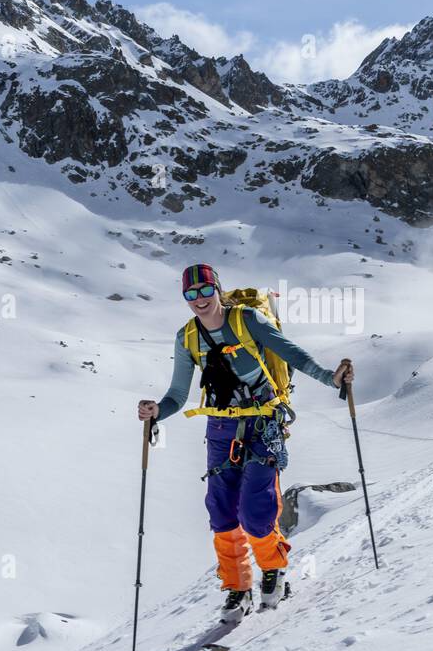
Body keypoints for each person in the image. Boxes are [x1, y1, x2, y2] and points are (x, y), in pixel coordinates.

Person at [138, 263, 353, 621]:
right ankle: (237, 590)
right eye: (190, 294)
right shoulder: (187, 337)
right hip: (220, 429)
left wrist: (330, 379)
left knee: (256, 509)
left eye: (205, 291)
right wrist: (157, 410)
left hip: (264, 422)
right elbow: (177, 393)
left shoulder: (246, 320)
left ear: (217, 290)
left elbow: (291, 353)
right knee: (221, 512)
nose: (199, 300)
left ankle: (274, 569)